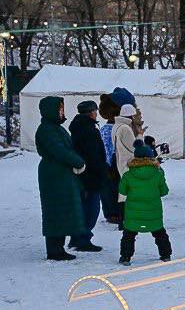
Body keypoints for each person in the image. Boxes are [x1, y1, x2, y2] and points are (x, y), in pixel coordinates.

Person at [35, 96, 86, 260]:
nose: (62, 112)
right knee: (55, 211)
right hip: (53, 176)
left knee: (63, 211)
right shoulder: (47, 130)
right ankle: (54, 249)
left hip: (61, 174)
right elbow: (59, 151)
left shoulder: (55, 128)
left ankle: (59, 247)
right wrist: (78, 162)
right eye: (60, 109)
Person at [117, 142, 172, 265]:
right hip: (153, 212)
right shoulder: (158, 174)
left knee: (129, 235)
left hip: (133, 213)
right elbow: (164, 191)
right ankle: (166, 255)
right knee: (160, 233)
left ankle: (125, 257)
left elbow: (122, 191)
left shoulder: (128, 175)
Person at [68, 100, 106, 252]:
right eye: (95, 111)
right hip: (91, 175)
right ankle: (83, 239)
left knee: (83, 207)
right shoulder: (89, 131)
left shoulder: (77, 128)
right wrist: (101, 171)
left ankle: (76, 237)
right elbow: (94, 155)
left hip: (82, 174)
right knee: (91, 209)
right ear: (91, 113)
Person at [111, 103, 139, 229]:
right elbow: (134, 147)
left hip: (120, 161)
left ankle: (123, 220)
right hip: (128, 163)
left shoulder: (116, 126)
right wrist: (140, 135)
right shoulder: (125, 128)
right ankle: (125, 220)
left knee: (123, 191)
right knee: (127, 193)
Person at [98, 93, 122, 224]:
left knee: (110, 189)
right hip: (112, 164)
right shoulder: (113, 129)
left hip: (109, 164)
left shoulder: (105, 129)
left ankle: (112, 212)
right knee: (112, 189)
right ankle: (114, 213)